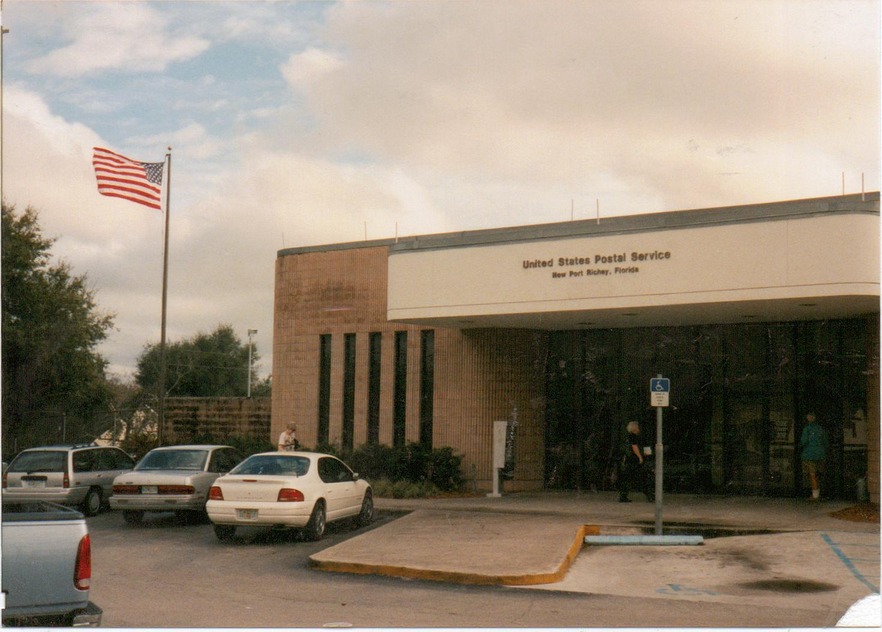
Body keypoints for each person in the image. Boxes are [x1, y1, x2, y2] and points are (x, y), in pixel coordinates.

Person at [618, 421, 653, 503]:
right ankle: (649, 494)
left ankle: (623, 496)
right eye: (637, 427)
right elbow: (634, 447)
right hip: (633, 460)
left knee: (628, 479)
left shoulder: (628, 437)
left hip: (629, 460)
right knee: (641, 477)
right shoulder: (633, 437)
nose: (638, 429)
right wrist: (640, 457)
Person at [799, 413, 828, 500]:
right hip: (821, 455)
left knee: (812, 475)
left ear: (808, 419)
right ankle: (818, 493)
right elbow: (826, 442)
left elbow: (803, 441)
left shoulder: (807, 429)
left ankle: (815, 496)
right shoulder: (821, 429)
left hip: (809, 455)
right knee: (819, 475)